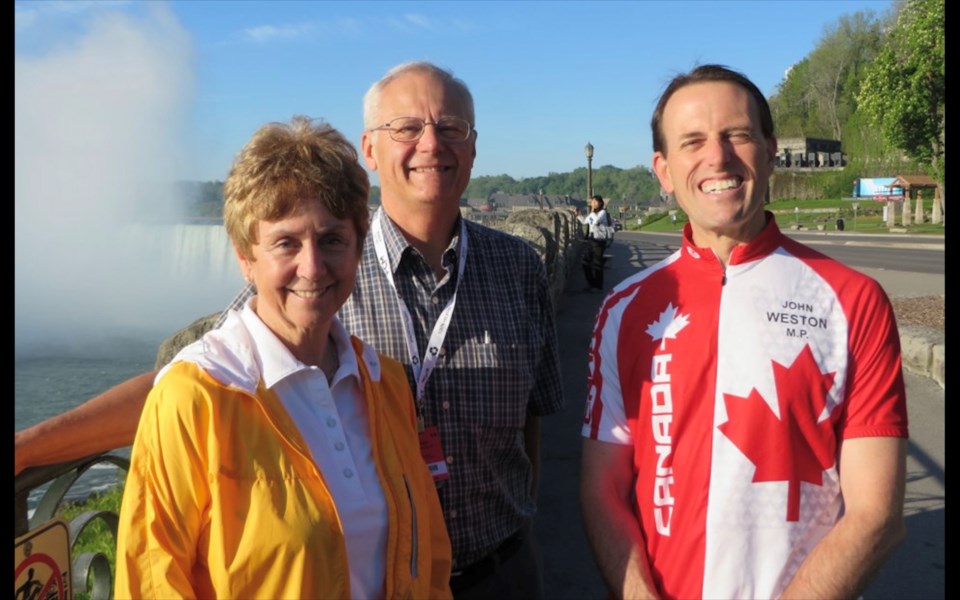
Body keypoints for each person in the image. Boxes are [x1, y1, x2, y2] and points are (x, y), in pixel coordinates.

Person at [16, 61, 563, 599]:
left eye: (451, 128)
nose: (431, 144)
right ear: (370, 149)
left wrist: (521, 518)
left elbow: (533, 421)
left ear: (472, 145)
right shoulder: (315, 280)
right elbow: (190, 386)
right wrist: (33, 445)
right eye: (408, 128)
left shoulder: (517, 268)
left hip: (501, 567)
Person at [579, 64, 908, 600]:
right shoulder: (623, 307)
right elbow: (602, 489)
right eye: (693, 142)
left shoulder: (852, 299)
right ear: (663, 170)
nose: (718, 157)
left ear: (771, 150)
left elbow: (877, 515)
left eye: (737, 134)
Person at [113, 115, 451, 599]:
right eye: (286, 243)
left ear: (358, 248)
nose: (312, 267)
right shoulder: (197, 397)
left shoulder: (385, 382)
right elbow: (151, 582)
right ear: (245, 257)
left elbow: (429, 559)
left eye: (333, 239)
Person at [575, 194, 613, 292]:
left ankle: (597, 286)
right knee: (585, 261)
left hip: (599, 241)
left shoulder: (602, 212)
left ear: (600, 203)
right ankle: (592, 284)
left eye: (596, 201)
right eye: (592, 202)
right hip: (591, 240)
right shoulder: (593, 213)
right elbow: (585, 222)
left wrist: (591, 211)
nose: (593, 203)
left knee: (597, 263)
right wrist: (579, 215)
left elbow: (595, 220)